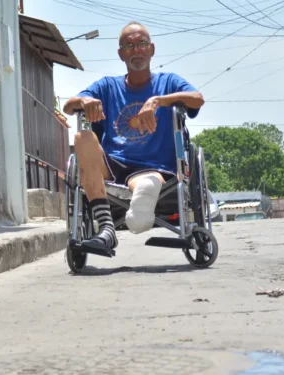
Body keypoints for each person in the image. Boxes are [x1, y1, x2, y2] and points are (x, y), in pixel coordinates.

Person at [63, 21, 205, 252]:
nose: (136, 50)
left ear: (151, 49)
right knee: (83, 137)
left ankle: (141, 205)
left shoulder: (167, 82)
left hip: (154, 167)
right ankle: (107, 231)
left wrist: (159, 100)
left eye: (141, 43)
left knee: (143, 196)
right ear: (121, 54)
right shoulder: (108, 86)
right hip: (112, 166)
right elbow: (69, 107)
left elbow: (197, 98)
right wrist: (84, 101)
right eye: (129, 46)